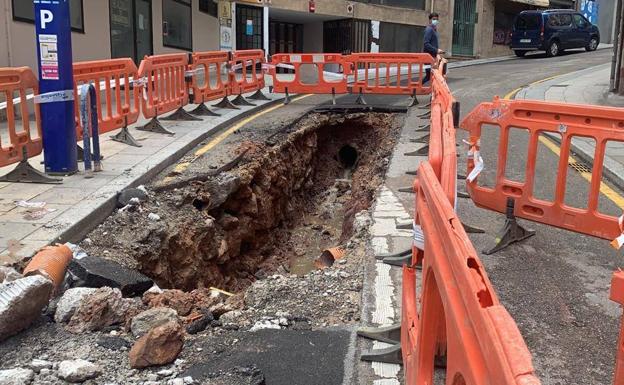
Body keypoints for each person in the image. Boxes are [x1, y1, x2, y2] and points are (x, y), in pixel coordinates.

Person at [422, 12, 444, 84]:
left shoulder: (434, 30)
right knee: (432, 76)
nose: (435, 21)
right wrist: (436, 50)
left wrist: (436, 52)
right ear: (430, 20)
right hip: (428, 58)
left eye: (437, 20)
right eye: (434, 19)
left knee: (430, 76)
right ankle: (415, 89)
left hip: (431, 57)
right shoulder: (429, 30)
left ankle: (415, 89)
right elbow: (426, 44)